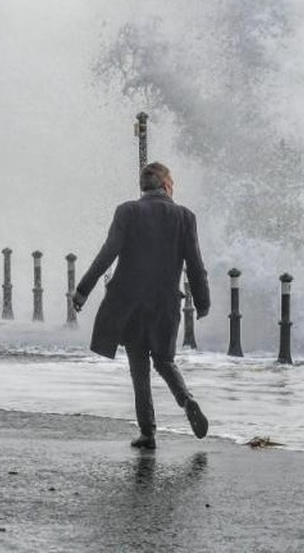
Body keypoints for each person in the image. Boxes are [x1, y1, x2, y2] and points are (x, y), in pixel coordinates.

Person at [71, 162, 211, 449]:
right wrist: (202, 301)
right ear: (167, 185)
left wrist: (83, 290)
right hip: (165, 304)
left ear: (143, 187)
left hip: (132, 305)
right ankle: (187, 401)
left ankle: (148, 432)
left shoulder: (128, 211)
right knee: (164, 361)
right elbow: (196, 265)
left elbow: (107, 254)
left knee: (139, 366)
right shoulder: (185, 217)